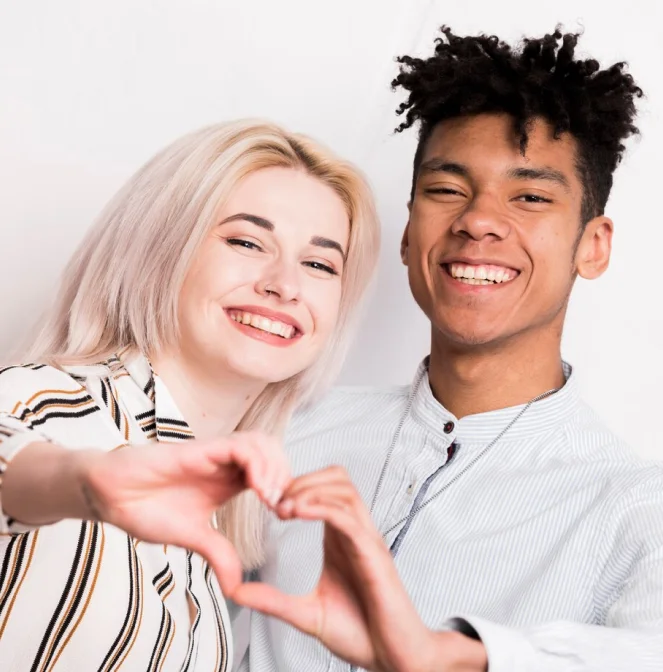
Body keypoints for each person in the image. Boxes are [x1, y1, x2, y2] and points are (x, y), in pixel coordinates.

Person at [233, 27, 663, 672]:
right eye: (447, 190)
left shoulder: (633, 508)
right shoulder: (286, 426)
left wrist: (450, 656)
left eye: (530, 197)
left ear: (593, 245)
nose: (479, 220)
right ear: (410, 236)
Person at [0, 119, 380, 671]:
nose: (285, 285)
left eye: (320, 264)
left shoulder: (216, 537)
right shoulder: (48, 402)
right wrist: (81, 482)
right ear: (160, 249)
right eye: (247, 241)